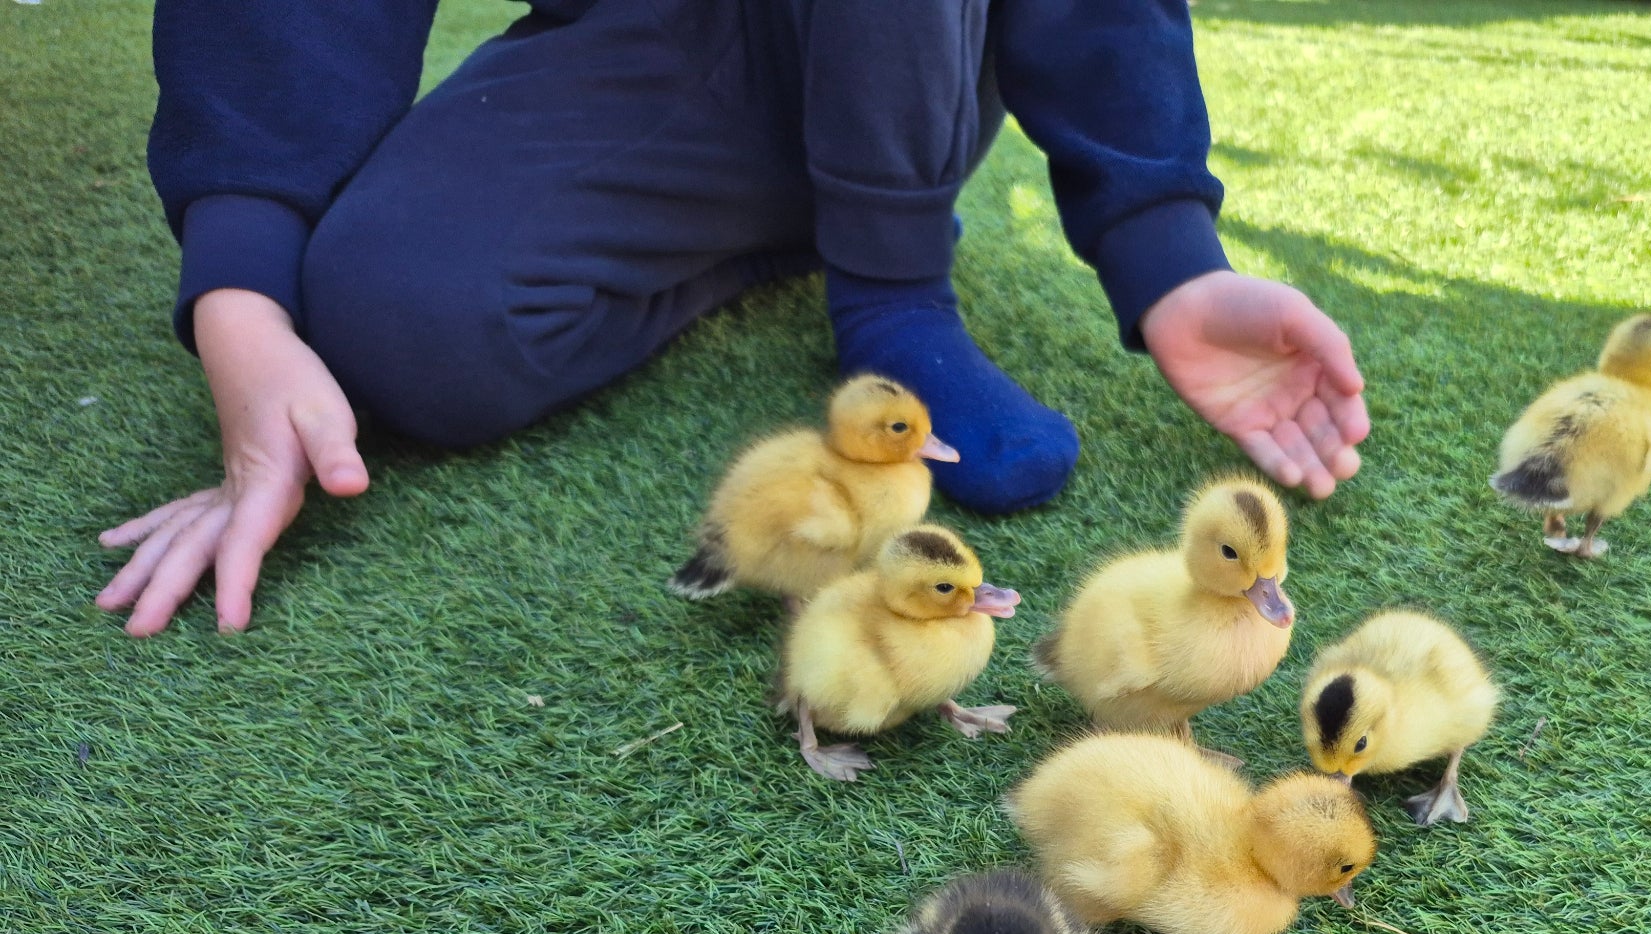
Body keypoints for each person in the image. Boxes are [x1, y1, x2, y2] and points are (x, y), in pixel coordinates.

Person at [102, 0, 1370, 637]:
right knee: (401, 324)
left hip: (895, 42)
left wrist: (1163, 252)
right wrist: (244, 292)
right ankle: (782, 225)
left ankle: (886, 275)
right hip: (641, 39)